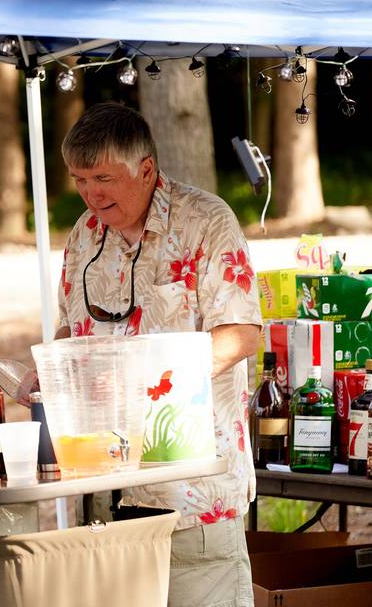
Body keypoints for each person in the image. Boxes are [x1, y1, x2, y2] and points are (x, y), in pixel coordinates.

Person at [54, 103, 262, 606]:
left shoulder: (205, 221)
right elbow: (68, 329)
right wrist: (54, 377)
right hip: (106, 495)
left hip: (192, 497)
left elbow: (240, 333)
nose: (90, 194)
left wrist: (151, 386)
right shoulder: (84, 235)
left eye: (103, 178)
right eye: (80, 180)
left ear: (146, 170)